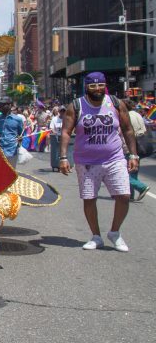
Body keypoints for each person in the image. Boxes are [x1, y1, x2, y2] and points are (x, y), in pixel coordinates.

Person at [58, 72, 138, 252]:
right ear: (86, 87)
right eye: (93, 86)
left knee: (124, 196)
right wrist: (63, 157)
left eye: (100, 85)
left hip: (114, 159)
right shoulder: (76, 106)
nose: (97, 89)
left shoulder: (116, 103)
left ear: (104, 86)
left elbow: (128, 129)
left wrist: (133, 155)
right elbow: (65, 132)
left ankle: (115, 232)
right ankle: (96, 236)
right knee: (89, 198)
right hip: (86, 162)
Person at [124, 100, 149, 201]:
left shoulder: (127, 116)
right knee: (133, 170)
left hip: (130, 146)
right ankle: (130, 195)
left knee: (123, 173)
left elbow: (128, 133)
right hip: (140, 145)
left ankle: (141, 187)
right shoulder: (137, 114)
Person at [0, 97, 24, 167]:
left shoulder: (18, 120)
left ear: (10, 105)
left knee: (11, 172)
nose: (0, 107)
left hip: (12, 151)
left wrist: (20, 139)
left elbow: (20, 134)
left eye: (3, 105)